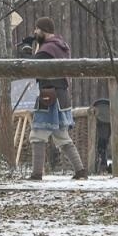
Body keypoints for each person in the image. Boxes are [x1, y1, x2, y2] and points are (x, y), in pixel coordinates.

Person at [28, 16, 87, 180]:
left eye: (37, 29)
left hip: (49, 96)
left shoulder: (47, 50)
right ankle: (80, 171)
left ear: (44, 30)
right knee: (61, 136)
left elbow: (31, 67)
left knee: (38, 134)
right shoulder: (59, 45)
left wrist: (26, 50)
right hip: (61, 96)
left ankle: (36, 174)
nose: (35, 32)